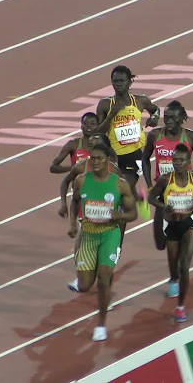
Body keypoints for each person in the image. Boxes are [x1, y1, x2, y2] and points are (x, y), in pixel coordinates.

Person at [68, 143, 138, 341]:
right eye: (93, 158)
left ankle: (101, 325)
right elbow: (74, 202)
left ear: (108, 160)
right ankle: (93, 285)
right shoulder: (81, 181)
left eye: (99, 158)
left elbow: (133, 213)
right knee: (84, 286)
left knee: (104, 277)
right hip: (89, 234)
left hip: (109, 234)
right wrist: (73, 223)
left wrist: (119, 215)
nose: (95, 162)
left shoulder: (119, 184)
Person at [142, 100, 193, 296]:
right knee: (160, 243)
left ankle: (175, 277)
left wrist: (188, 178)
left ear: (182, 119)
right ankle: (176, 261)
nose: (168, 121)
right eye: (166, 117)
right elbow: (145, 159)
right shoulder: (155, 135)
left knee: (178, 231)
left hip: (182, 193)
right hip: (162, 192)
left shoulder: (192, 138)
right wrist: (149, 184)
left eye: (173, 117)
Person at [148, 143, 193, 322]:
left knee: (184, 265)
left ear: (188, 162)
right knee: (174, 267)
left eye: (181, 160)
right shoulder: (165, 180)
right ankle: (173, 279)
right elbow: (152, 197)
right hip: (171, 225)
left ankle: (180, 307)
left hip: (189, 223)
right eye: (174, 160)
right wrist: (163, 206)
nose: (177, 163)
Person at [58, 133, 125, 293]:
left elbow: (124, 197)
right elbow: (66, 183)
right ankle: (84, 276)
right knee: (80, 249)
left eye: (96, 147)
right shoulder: (82, 167)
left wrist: (119, 215)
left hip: (109, 225)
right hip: (87, 219)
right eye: (91, 147)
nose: (92, 150)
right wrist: (64, 206)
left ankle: (105, 294)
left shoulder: (114, 171)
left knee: (105, 265)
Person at [95, 65, 160, 219]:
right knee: (122, 190)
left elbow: (155, 109)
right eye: (115, 81)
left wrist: (155, 118)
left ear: (129, 82)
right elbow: (99, 131)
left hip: (135, 154)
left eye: (122, 81)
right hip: (114, 156)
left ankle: (123, 216)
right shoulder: (105, 104)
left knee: (121, 189)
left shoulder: (140, 101)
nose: (118, 84)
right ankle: (139, 198)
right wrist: (112, 114)